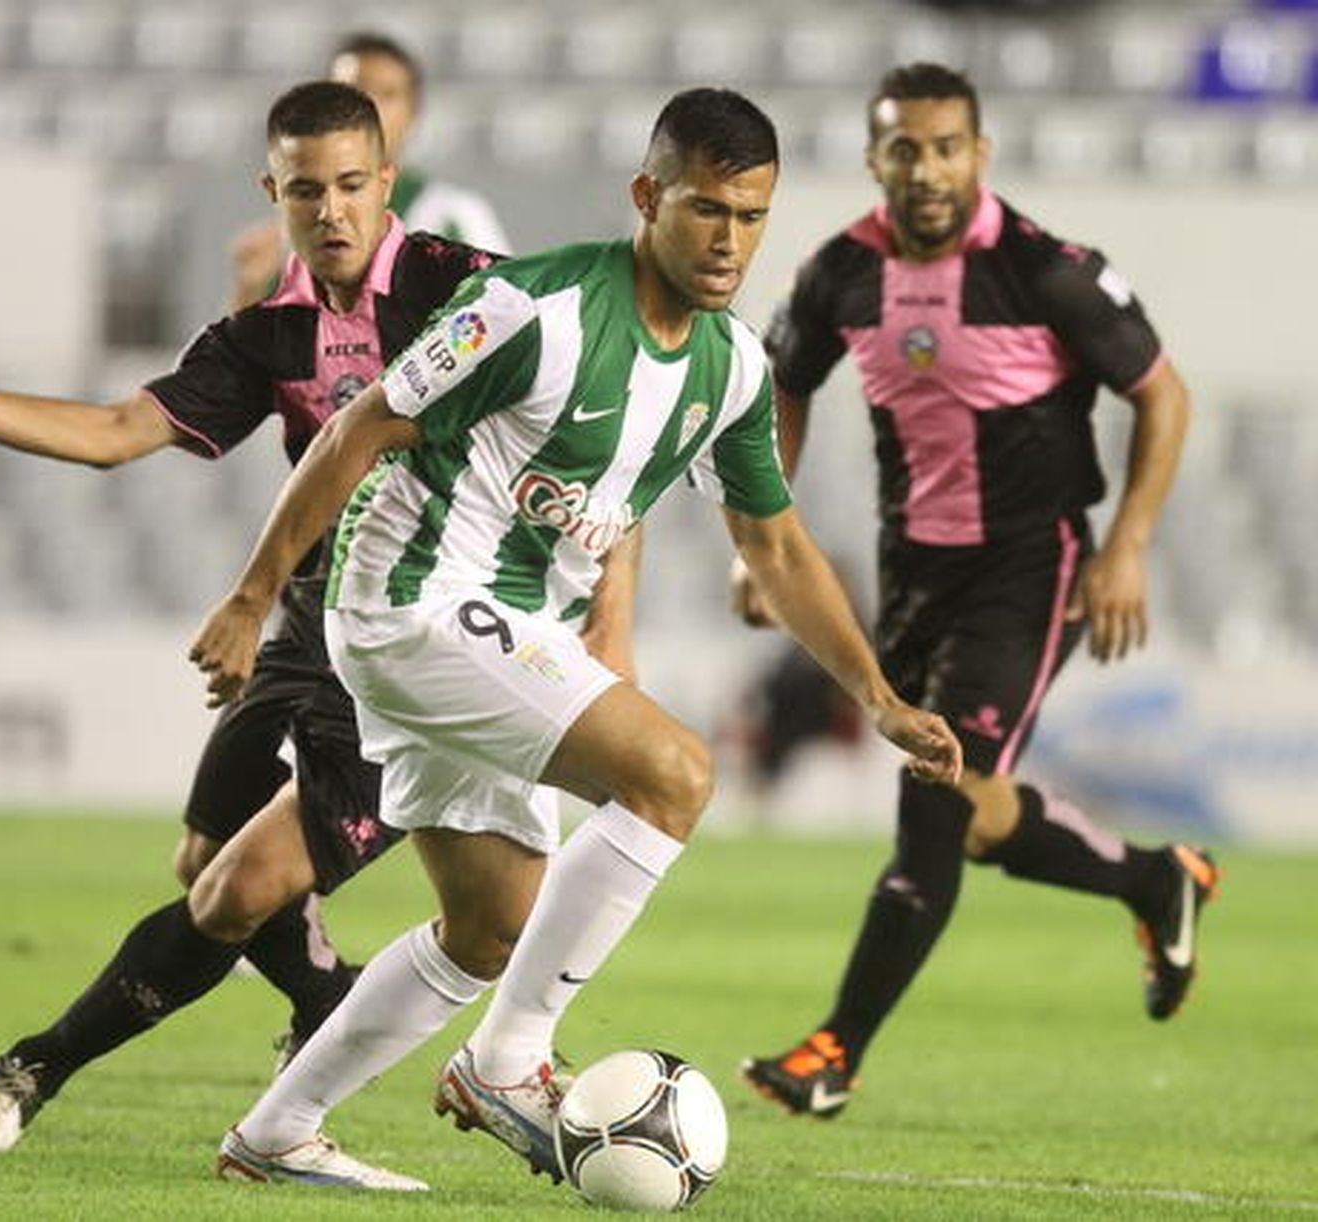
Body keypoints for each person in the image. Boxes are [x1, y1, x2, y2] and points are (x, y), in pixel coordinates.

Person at [0, 81, 613, 1155]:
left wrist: (609, 616)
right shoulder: (266, 334)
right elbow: (112, 428)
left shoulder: (463, 292)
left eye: (347, 187)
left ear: (385, 183)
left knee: (240, 884)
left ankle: (29, 1071)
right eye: (303, 191)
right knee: (203, 861)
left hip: (421, 643)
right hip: (304, 633)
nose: (328, 211)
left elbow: (587, 429)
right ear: (270, 194)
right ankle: (323, 996)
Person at [187, 86, 962, 1192]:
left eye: (750, 216)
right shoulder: (529, 307)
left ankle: (273, 1133)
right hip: (408, 595)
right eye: (704, 209)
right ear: (648, 196)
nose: (727, 239)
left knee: (487, 929)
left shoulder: (732, 365)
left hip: (497, 619)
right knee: (674, 772)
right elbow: (363, 423)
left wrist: (877, 695)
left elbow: (776, 546)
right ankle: (506, 1062)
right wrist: (254, 593)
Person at [737, 62, 1218, 1120]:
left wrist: (1125, 546)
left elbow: (1163, 394)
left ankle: (834, 1053)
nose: (926, 168)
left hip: (1025, 564)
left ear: (979, 154)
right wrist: (757, 540)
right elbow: (781, 384)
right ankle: (1153, 878)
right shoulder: (837, 274)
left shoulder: (1048, 272)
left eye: (946, 146)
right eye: (903, 148)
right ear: (874, 159)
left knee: (935, 799)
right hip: (911, 571)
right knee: (973, 809)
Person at [232, 30, 510, 311]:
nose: (370, 106)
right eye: (354, 91)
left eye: (388, 94)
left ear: (413, 112)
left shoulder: (456, 217)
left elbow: (509, 324)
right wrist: (249, 289)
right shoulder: (290, 235)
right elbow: (243, 349)